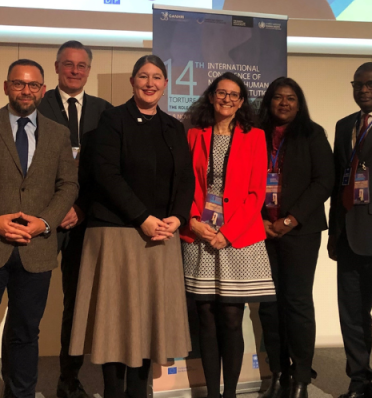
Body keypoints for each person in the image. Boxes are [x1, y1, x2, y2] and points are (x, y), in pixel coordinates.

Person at [69, 54, 195, 398]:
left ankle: (140, 390)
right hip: (118, 232)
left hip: (162, 236)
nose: (150, 83)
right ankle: (113, 390)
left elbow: (186, 179)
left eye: (157, 77)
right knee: (117, 319)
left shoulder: (173, 126)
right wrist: (142, 217)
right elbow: (106, 174)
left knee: (147, 320)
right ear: (133, 82)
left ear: (166, 84)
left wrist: (178, 218)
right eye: (143, 76)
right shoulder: (113, 119)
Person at [0, 59, 78, 398]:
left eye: (33, 85)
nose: (26, 90)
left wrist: (44, 222)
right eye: (19, 83)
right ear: (6, 87)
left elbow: (68, 186)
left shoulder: (59, 133)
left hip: (37, 251)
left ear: (43, 90)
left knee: (25, 334)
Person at [180, 72, 276, 398]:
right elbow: (184, 185)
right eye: (222, 93)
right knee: (205, 318)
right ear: (211, 96)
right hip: (201, 236)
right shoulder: (194, 134)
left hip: (239, 239)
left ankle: (230, 393)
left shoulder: (255, 137)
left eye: (235, 95)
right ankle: (211, 392)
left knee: (232, 319)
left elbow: (256, 193)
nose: (227, 99)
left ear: (242, 102)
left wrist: (229, 233)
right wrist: (193, 221)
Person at [38, 40, 112, 398]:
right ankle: (19, 384)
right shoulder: (37, 106)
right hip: (42, 220)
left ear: (89, 70)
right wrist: (57, 209)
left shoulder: (105, 111)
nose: (75, 71)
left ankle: (69, 379)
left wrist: (80, 207)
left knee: (76, 304)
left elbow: (109, 172)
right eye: (68, 64)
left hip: (85, 221)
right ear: (56, 67)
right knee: (28, 303)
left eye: (82, 66)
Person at [257, 77, 334, 398]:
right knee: (269, 306)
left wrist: (291, 219)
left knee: (297, 302)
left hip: (300, 231)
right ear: (269, 102)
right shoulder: (254, 135)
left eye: (291, 98)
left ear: (299, 104)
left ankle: (302, 376)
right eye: (278, 98)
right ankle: (278, 373)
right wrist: (258, 219)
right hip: (260, 230)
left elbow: (324, 181)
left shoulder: (312, 134)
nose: (284, 103)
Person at [328, 62, 372, 398]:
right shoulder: (345, 127)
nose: (363, 90)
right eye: (357, 85)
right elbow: (337, 181)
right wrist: (333, 234)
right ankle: (359, 380)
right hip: (349, 236)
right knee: (352, 315)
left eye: (369, 84)